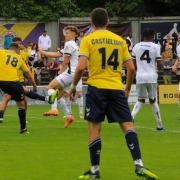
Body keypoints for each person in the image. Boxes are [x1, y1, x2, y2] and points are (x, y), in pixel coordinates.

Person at [68, 8, 158, 180]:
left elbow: (80, 67)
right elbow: (131, 68)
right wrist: (126, 88)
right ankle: (139, 164)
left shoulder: (88, 39)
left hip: (96, 88)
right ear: (107, 22)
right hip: (116, 88)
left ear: (91, 22)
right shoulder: (119, 40)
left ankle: (95, 170)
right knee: (128, 126)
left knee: (94, 129)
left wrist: (73, 86)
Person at [39, 26, 80, 128]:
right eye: (65, 33)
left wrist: (60, 73)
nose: (65, 35)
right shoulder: (74, 45)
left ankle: (54, 109)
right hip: (74, 75)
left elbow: (65, 61)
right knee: (58, 96)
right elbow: (57, 54)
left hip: (70, 73)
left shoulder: (69, 44)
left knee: (50, 87)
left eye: (68, 33)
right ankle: (69, 116)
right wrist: (43, 52)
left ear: (74, 34)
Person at [131, 29, 164, 131]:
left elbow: (133, 64)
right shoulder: (156, 46)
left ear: (142, 36)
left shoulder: (136, 46)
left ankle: (130, 119)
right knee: (153, 100)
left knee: (140, 100)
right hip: (152, 77)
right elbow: (159, 64)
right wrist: (162, 66)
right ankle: (159, 126)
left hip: (140, 76)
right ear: (153, 36)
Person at [0, 43, 35, 133]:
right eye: (19, 48)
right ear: (16, 48)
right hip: (15, 81)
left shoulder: (2, 52)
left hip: (5, 81)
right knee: (21, 102)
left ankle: (1, 116)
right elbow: (28, 73)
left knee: (7, 97)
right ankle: (23, 126)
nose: (20, 50)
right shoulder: (19, 56)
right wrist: (34, 84)